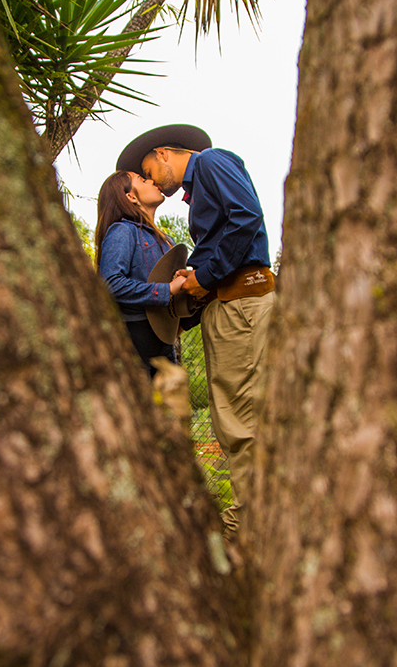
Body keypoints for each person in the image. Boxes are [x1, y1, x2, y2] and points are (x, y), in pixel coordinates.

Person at [116, 124, 275, 539]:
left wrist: (206, 275)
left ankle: (252, 523)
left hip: (241, 303)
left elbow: (247, 218)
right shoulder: (198, 187)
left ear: (165, 153)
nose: (151, 180)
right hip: (227, 307)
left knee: (241, 418)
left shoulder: (209, 161)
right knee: (231, 420)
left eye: (149, 169)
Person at [94, 169, 188, 377]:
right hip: (135, 340)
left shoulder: (167, 240)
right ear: (131, 196)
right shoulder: (122, 231)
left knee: (171, 408)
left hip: (164, 341)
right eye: (142, 179)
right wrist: (167, 290)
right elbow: (110, 284)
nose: (152, 180)